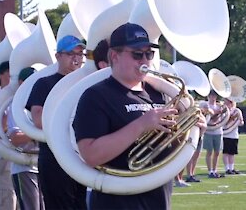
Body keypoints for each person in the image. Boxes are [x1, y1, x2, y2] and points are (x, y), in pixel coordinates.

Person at [72, 23, 206, 209]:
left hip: (159, 199)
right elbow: (91, 154)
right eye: (137, 54)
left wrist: (191, 130)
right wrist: (141, 125)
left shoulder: (159, 93)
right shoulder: (95, 96)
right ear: (114, 56)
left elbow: (167, 152)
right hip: (115, 203)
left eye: (149, 54)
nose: (144, 60)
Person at [26, 35, 87, 209]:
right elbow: (39, 119)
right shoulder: (44, 83)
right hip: (54, 157)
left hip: (81, 157)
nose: (77, 58)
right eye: (71, 54)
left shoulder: (86, 83)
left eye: (80, 54)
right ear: (58, 56)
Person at [7, 67, 45, 210]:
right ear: (22, 83)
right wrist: (38, 133)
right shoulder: (16, 106)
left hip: (41, 165)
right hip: (24, 167)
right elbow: (15, 138)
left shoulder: (39, 102)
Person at [0, 61, 18, 210]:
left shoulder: (14, 97)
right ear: (1, 74)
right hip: (3, 156)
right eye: (10, 72)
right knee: (5, 201)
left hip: (15, 156)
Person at [202, 90, 225, 178]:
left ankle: (215, 170)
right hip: (208, 131)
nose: (213, 97)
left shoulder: (219, 106)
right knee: (209, 151)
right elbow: (206, 117)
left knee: (217, 152)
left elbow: (223, 119)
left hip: (218, 131)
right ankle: (209, 171)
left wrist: (222, 112)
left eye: (214, 95)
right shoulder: (205, 105)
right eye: (211, 95)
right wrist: (215, 113)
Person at [222, 98, 244, 175]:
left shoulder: (237, 111)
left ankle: (231, 168)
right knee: (226, 152)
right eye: (226, 102)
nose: (227, 104)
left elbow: (241, 123)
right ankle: (227, 168)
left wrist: (239, 119)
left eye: (229, 102)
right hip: (225, 134)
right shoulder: (224, 111)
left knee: (232, 153)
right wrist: (232, 117)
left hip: (234, 135)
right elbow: (223, 122)